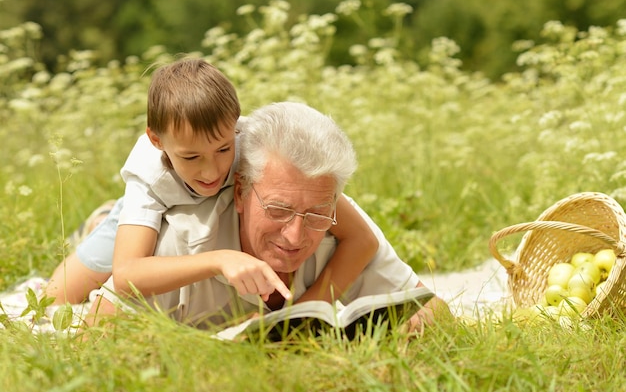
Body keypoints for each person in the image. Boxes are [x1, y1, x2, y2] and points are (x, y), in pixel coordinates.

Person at [45, 58, 379, 307]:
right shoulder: (148, 174)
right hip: (140, 212)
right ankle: (102, 220)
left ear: (235, 126)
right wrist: (219, 259)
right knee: (54, 299)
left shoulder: (258, 147)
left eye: (223, 150)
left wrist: (308, 310)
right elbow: (128, 276)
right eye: (191, 158)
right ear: (156, 140)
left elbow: (361, 237)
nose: (211, 171)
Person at [89, 102, 450, 332]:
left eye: (316, 215)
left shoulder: (336, 228)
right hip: (139, 217)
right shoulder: (188, 240)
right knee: (65, 287)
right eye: (278, 210)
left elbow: (436, 309)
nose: (295, 237)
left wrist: (408, 332)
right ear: (242, 191)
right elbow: (94, 326)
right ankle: (103, 217)